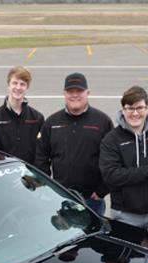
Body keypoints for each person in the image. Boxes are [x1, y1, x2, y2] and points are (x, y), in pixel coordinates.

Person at [35, 72, 113, 215]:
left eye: (79, 91)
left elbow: (113, 159)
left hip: (92, 200)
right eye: (71, 91)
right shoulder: (52, 122)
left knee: (92, 238)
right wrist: (48, 186)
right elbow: (41, 156)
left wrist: (102, 190)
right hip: (61, 197)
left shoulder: (103, 122)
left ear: (87, 93)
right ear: (64, 94)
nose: (75, 95)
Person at [98, 85, 148, 228]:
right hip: (124, 215)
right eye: (130, 108)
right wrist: (147, 171)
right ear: (123, 110)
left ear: (147, 108)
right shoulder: (111, 139)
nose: (135, 113)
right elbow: (111, 175)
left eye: (139, 108)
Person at [0, 66, 44, 163]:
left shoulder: (37, 118)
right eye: (15, 83)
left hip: (30, 175)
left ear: (27, 87)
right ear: (8, 84)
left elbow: (42, 152)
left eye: (22, 84)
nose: (18, 87)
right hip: (6, 175)